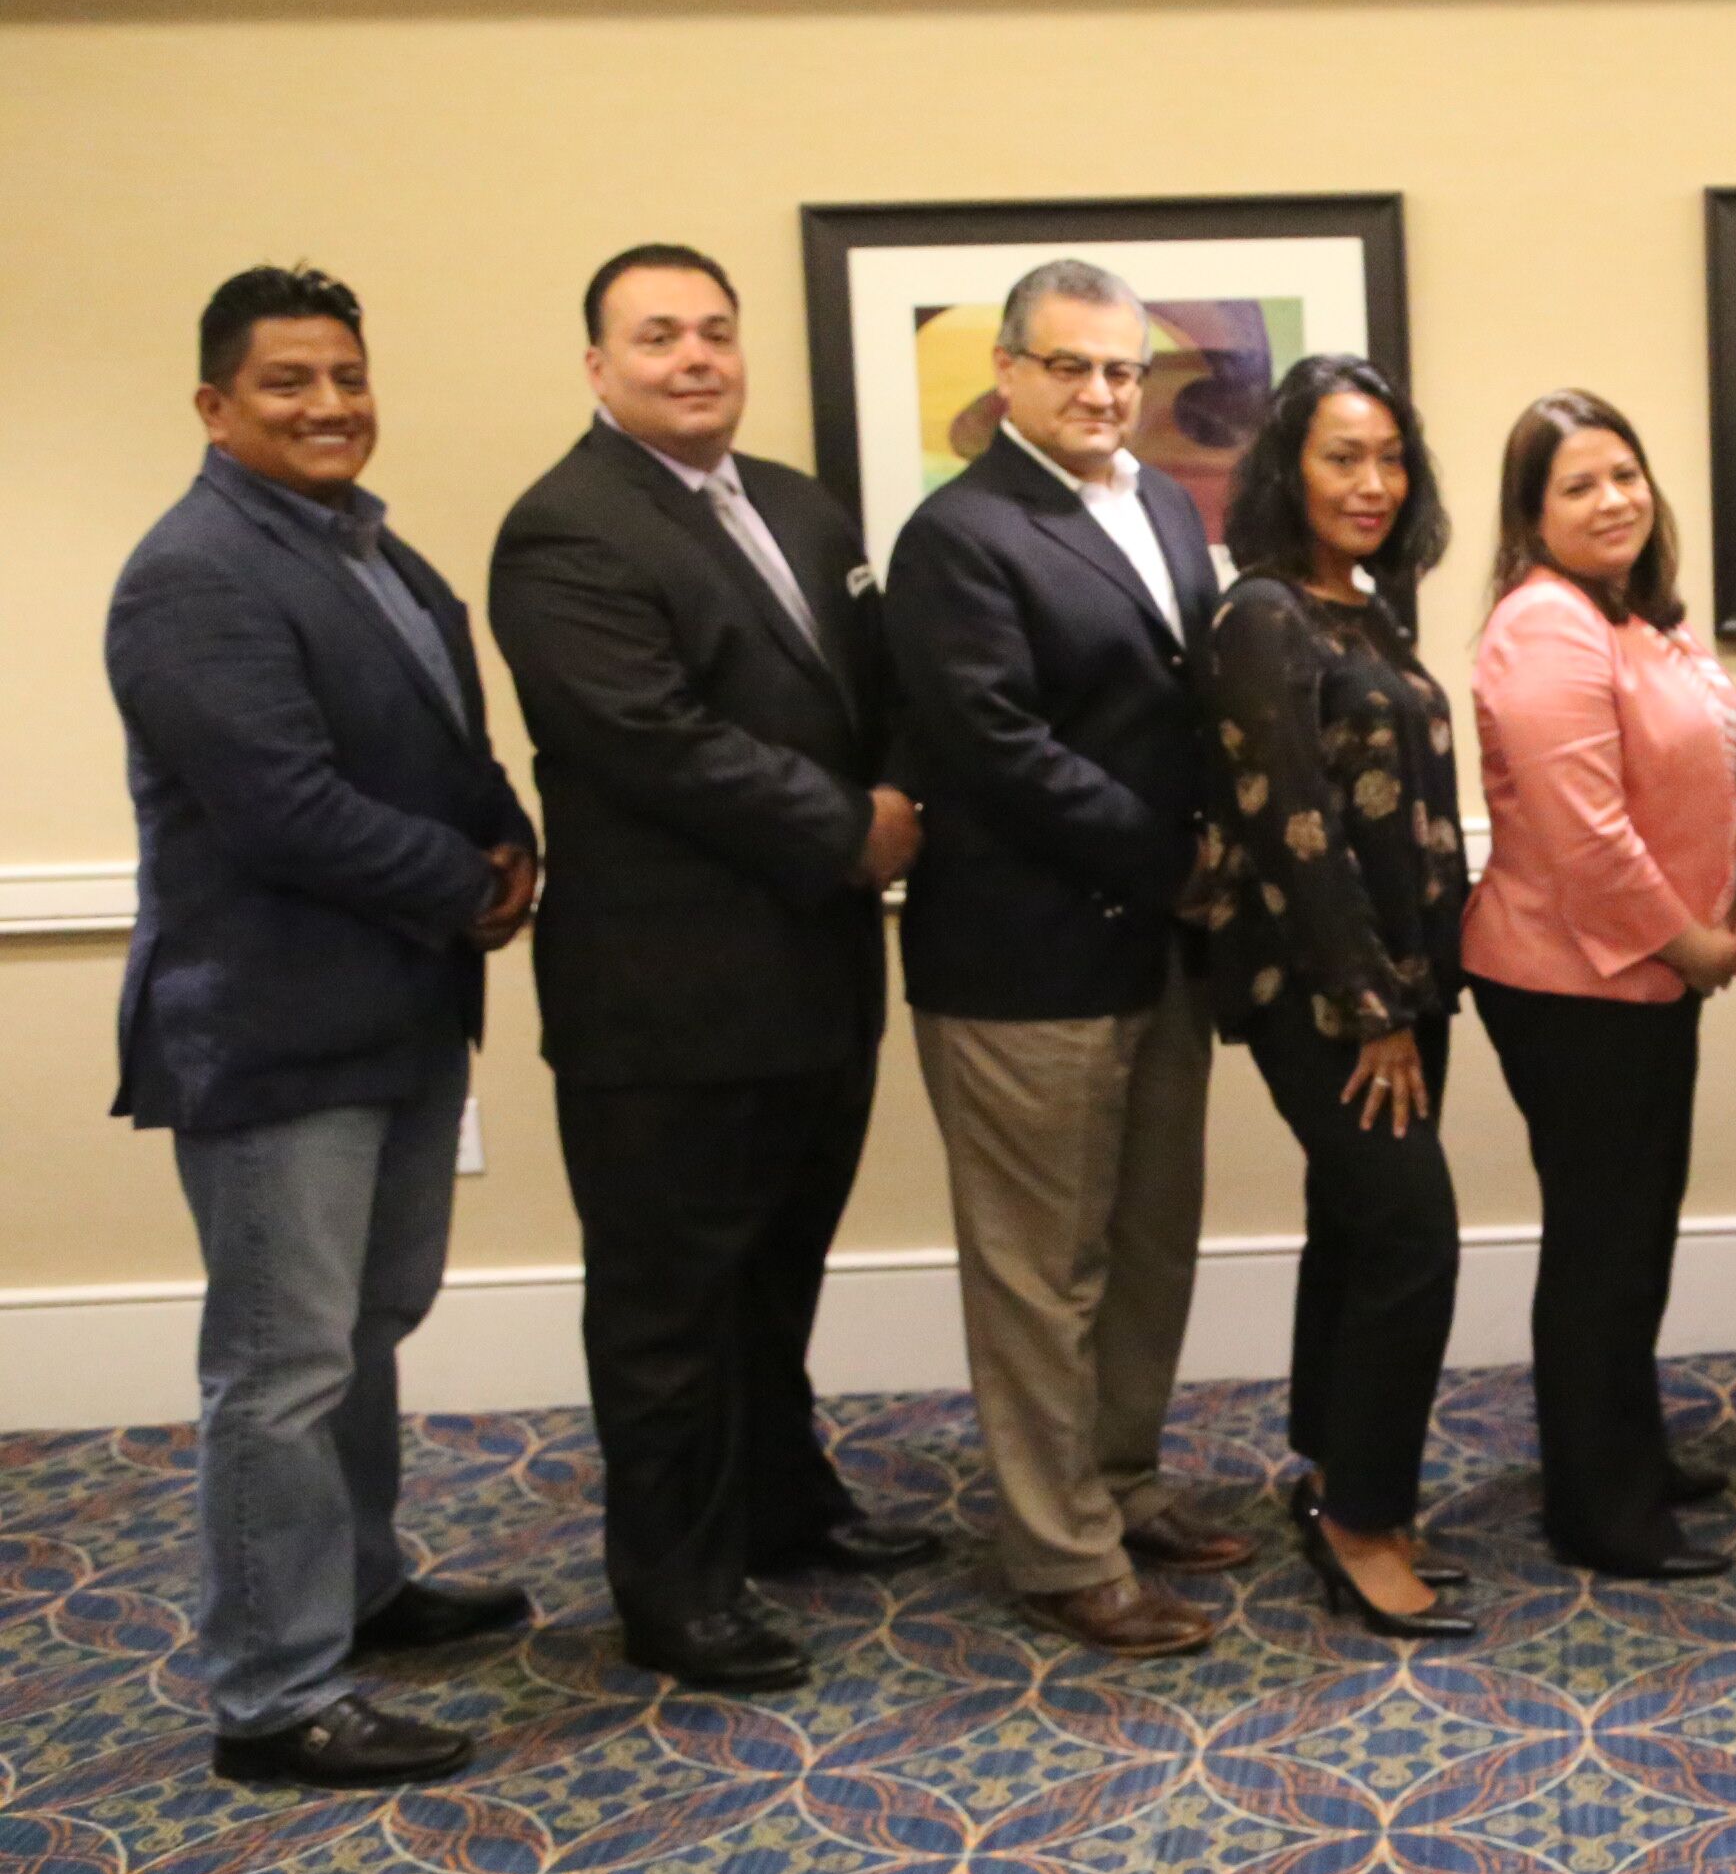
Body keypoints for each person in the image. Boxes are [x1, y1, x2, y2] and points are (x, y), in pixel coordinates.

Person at [488, 243, 943, 1695]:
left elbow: (884, 688)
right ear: (598, 365)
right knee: (669, 1306)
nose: (695, 358)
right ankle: (674, 1593)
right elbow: (654, 740)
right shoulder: (564, 532)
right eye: (658, 336)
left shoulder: (803, 508)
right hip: (666, 999)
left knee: (776, 1274)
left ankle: (782, 1508)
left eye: (716, 333)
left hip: (813, 982)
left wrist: (908, 792)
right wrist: (851, 827)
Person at [106, 264, 538, 1787]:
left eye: (346, 375)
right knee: (279, 1368)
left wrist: (511, 842)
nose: (329, 404)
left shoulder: (376, 549)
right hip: (275, 1026)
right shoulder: (193, 572)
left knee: (366, 1329)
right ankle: (272, 1694)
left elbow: (446, 746)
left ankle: (358, 1588)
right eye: (289, 382)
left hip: (399, 1005)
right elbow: (278, 807)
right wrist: (464, 885)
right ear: (217, 407)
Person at [884, 258, 1242, 1660]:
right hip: (1023, 961)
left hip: (1159, 949)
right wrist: (1180, 856)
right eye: (1073, 366)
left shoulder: (1159, 501)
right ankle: (1058, 1549)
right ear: (1010, 376)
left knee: (1149, 1238)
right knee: (1043, 1271)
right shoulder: (958, 537)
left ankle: (1122, 1481)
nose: (1103, 392)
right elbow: (1000, 752)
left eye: (1123, 370)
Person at [1194, 354, 1476, 1641]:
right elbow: (1289, 822)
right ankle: (1365, 1520)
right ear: (1286, 471)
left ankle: (1331, 1475)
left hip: (1405, 984)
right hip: (1323, 993)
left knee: (1358, 1232)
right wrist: (1369, 1007)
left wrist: (1418, 991)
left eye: (1389, 457)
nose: (1371, 482)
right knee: (1412, 1234)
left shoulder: (1362, 605)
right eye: (1340, 456)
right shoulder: (1263, 612)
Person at [1462, 391, 1736, 1581]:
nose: (1613, 499)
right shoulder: (1545, 626)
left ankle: (1618, 1441)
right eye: (1577, 485)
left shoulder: (1632, 617)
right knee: (1602, 1241)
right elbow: (1585, 835)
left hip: (1639, 976)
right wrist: (1689, 942)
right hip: (1572, 980)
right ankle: (1602, 1506)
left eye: (1624, 473)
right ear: (1532, 517)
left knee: (1633, 1230)